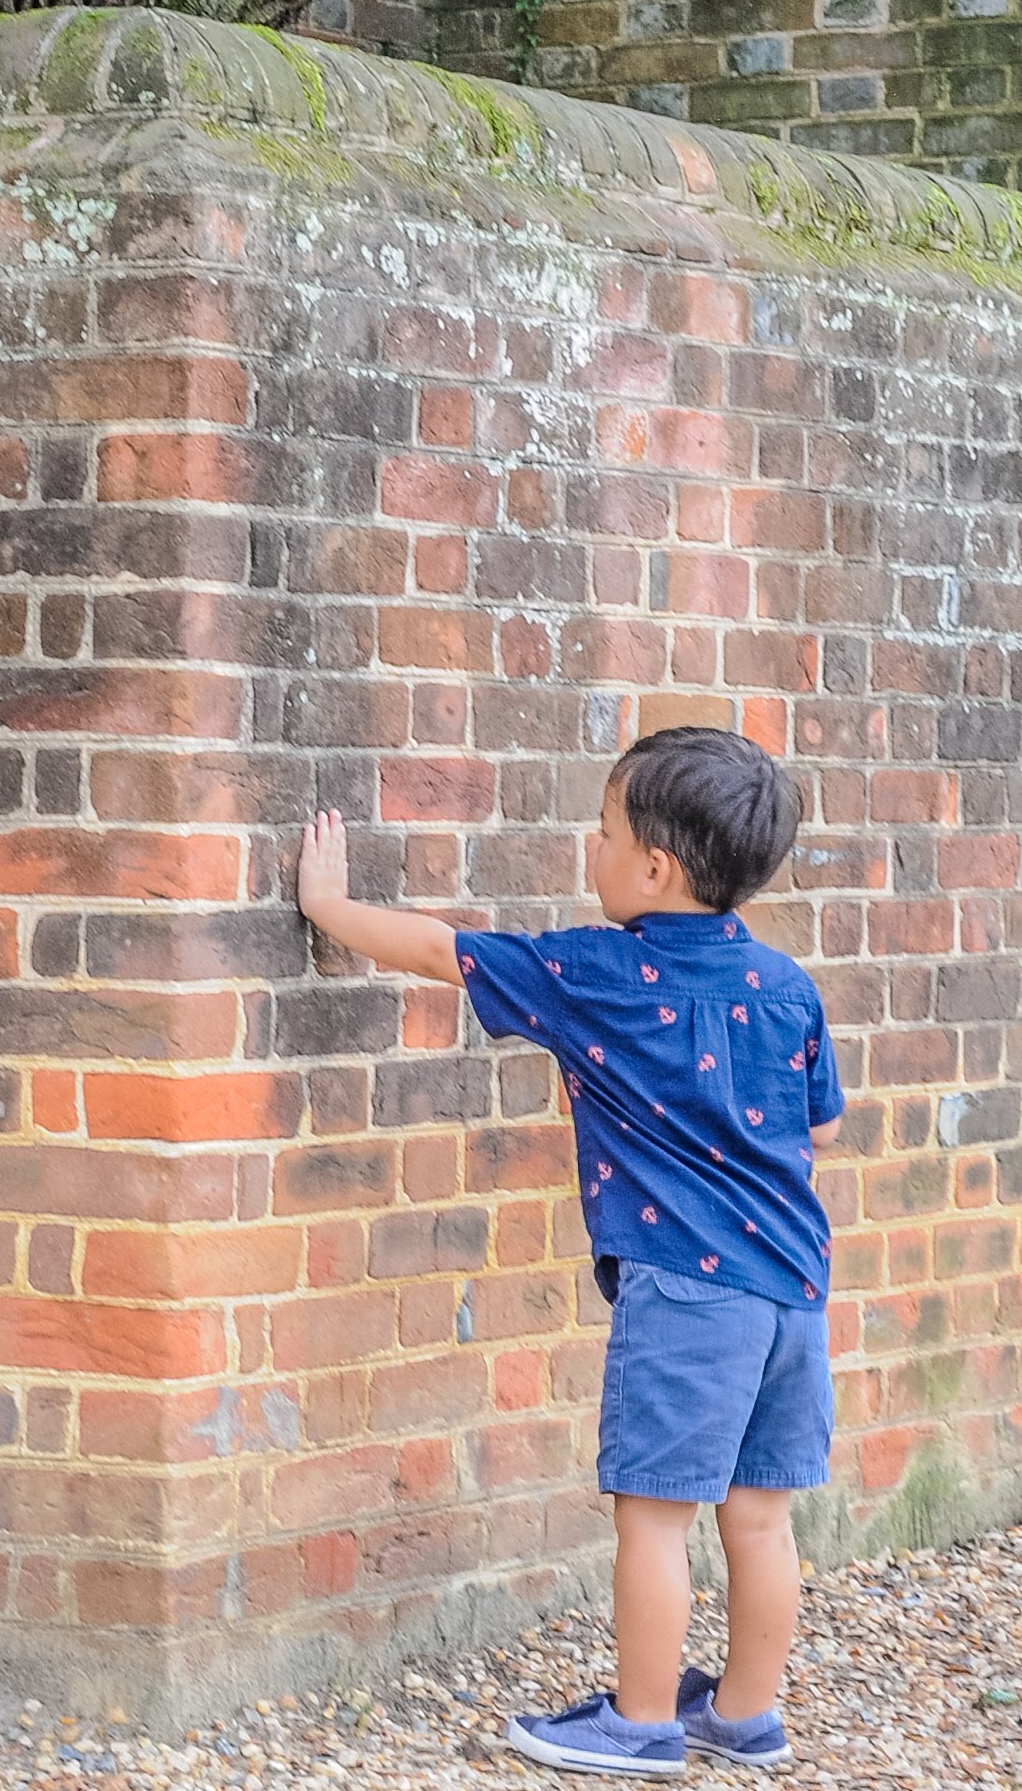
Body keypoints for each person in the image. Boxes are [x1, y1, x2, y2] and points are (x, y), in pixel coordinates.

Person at [295, 726, 843, 1778]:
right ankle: (742, 1714)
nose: (583, 848)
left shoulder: (592, 970)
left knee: (652, 1516)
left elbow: (436, 949)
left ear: (653, 867)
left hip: (688, 1293)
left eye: (598, 832)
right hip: (793, 1289)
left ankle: (638, 1723)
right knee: (760, 1517)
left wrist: (324, 906)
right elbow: (816, 1130)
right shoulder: (785, 985)